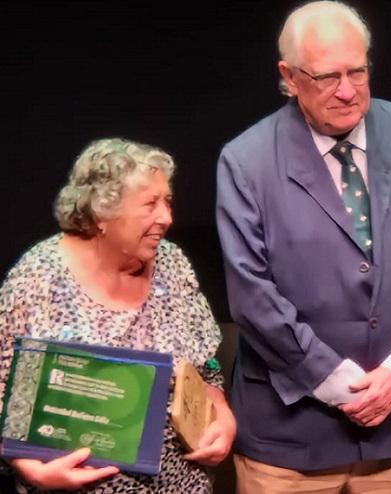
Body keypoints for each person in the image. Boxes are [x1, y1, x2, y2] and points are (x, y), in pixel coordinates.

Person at [216, 1, 391, 492]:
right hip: (288, 445)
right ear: (289, 77)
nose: (349, 90)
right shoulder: (245, 161)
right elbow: (252, 296)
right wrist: (341, 384)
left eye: (358, 71)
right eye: (328, 77)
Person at [0, 138, 236, 493]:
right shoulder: (39, 277)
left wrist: (222, 413)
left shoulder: (172, 263)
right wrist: (28, 468)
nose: (167, 218)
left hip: (182, 483)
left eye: (167, 201)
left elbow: (208, 366)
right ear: (101, 213)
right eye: (150, 204)